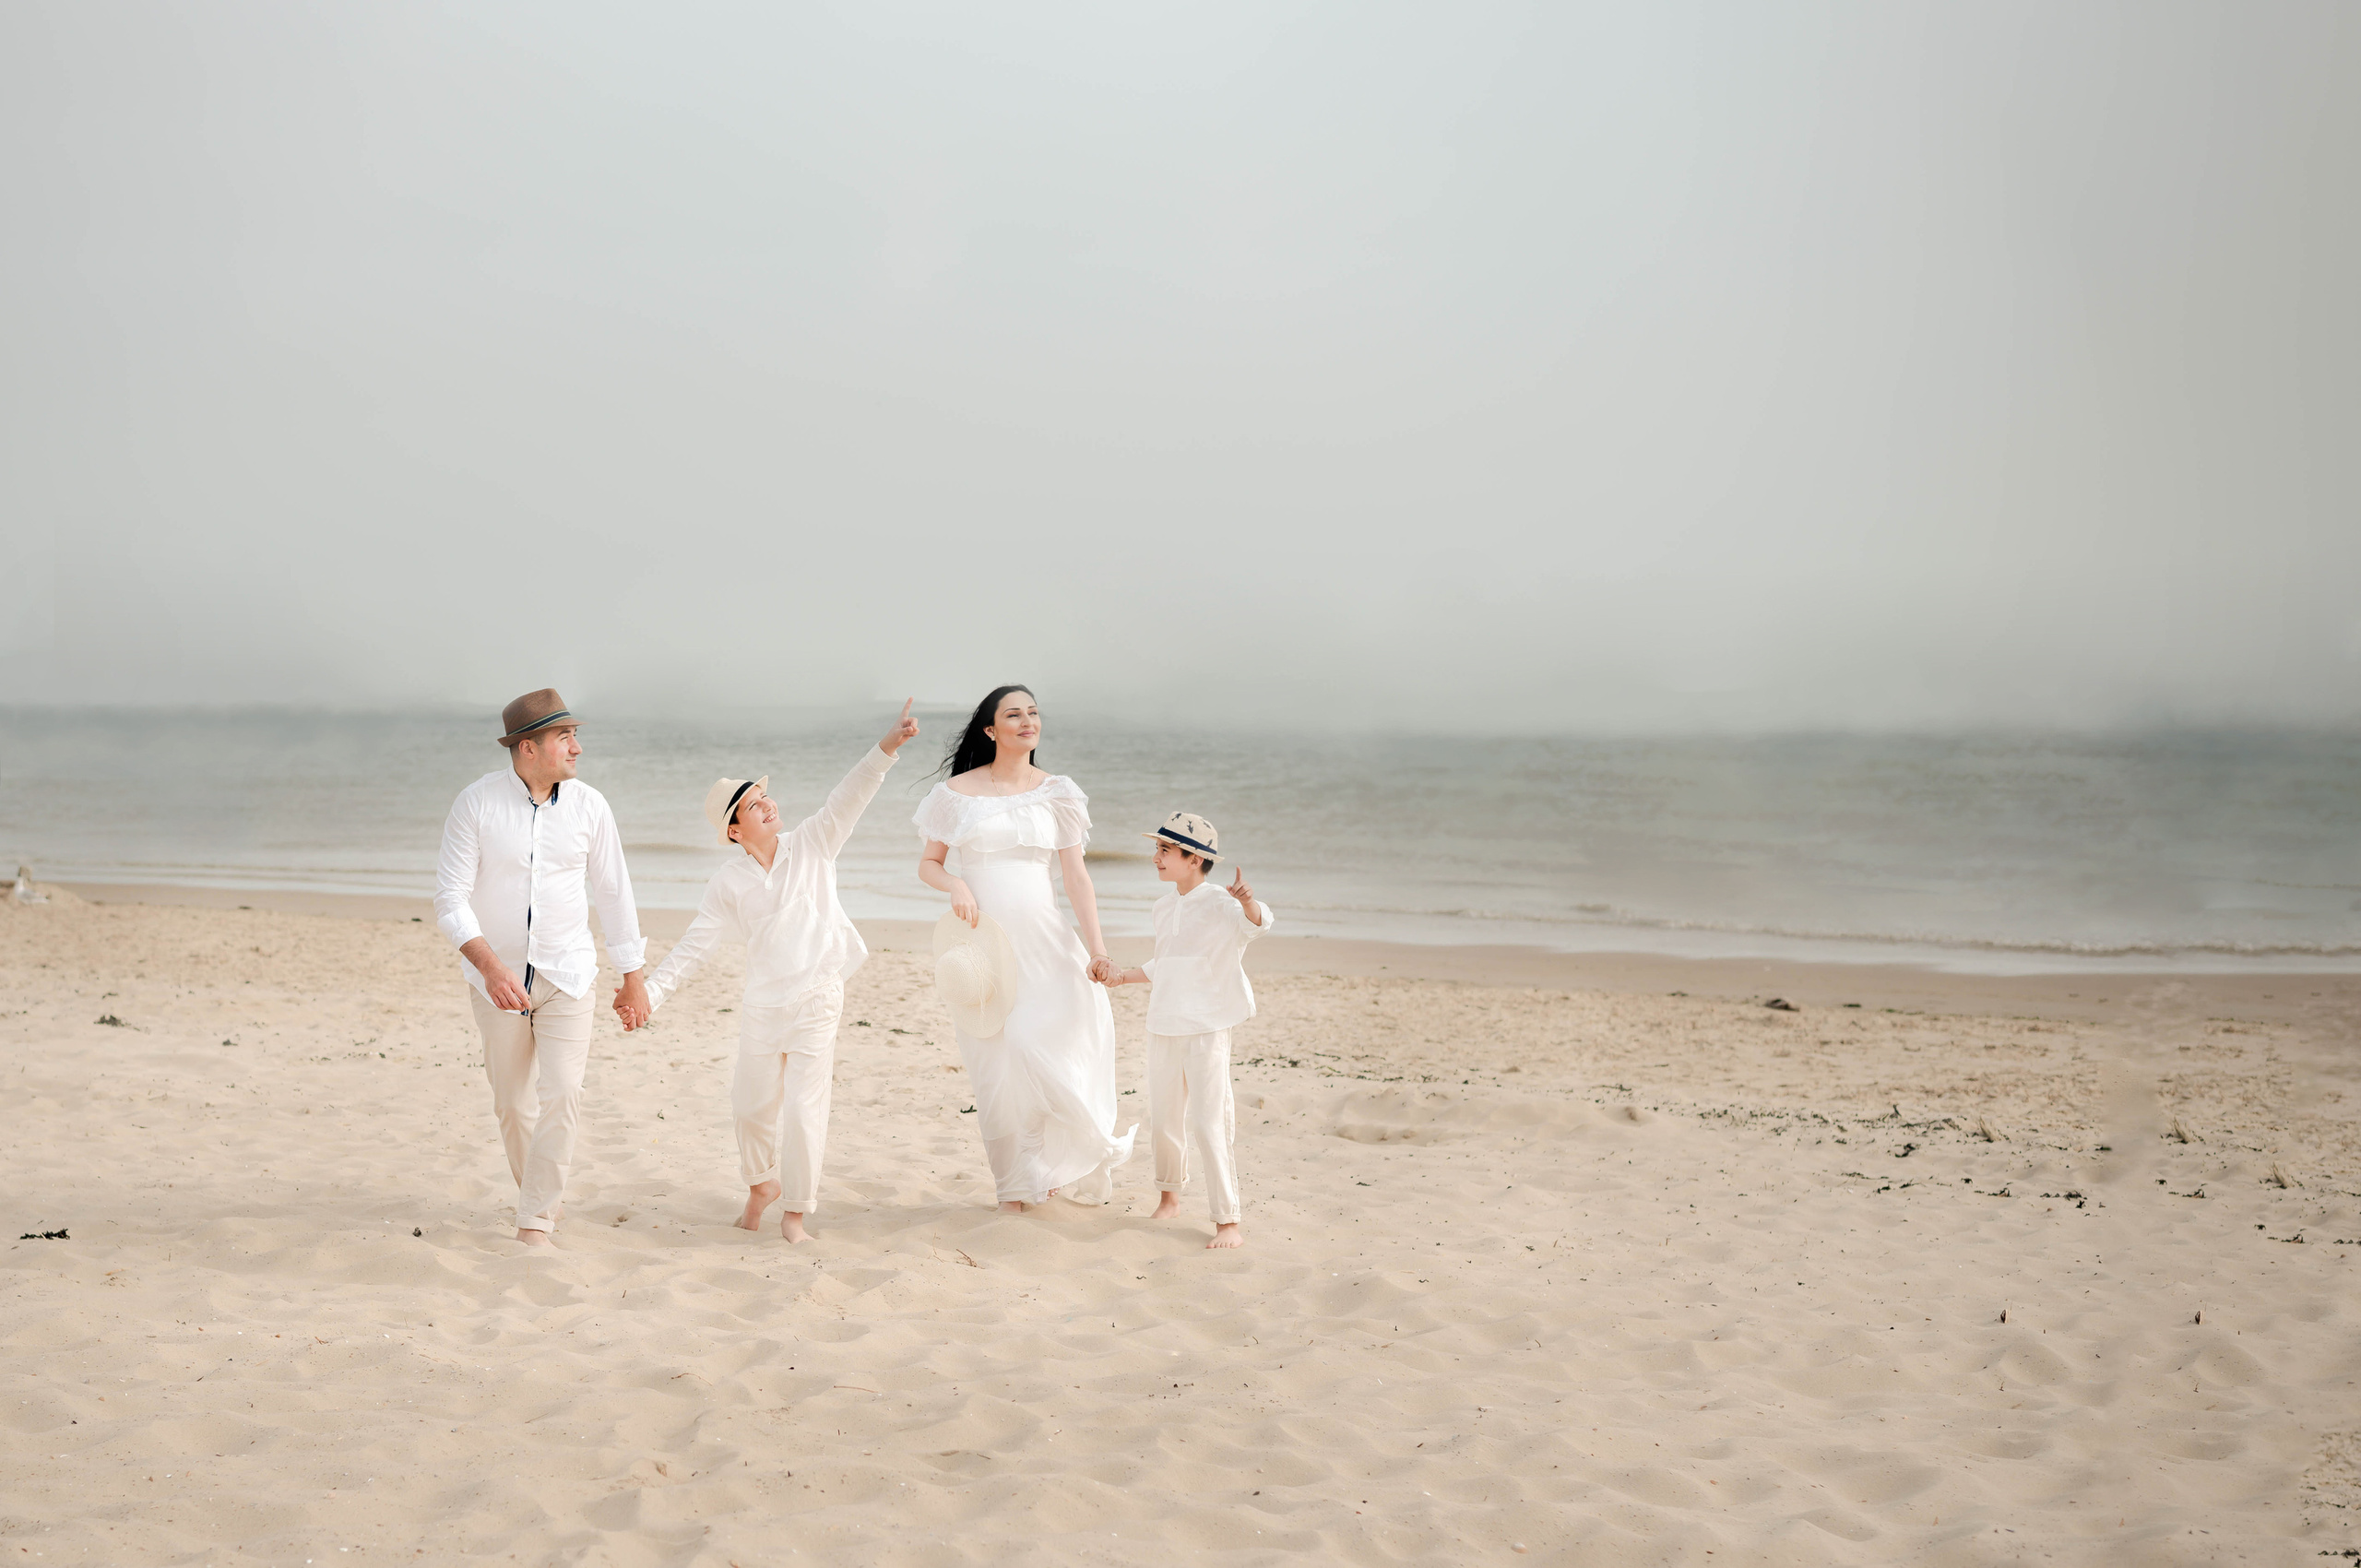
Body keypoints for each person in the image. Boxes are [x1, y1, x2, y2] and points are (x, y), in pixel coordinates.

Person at [626, 702, 922, 1242]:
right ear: (734, 830)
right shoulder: (728, 883)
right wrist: (651, 993)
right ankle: (762, 1186)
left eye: (766, 797)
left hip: (817, 999)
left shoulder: (813, 843)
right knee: (750, 1109)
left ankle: (795, 1215)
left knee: (806, 1111)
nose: (768, 805)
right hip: (763, 1007)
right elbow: (695, 947)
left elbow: (851, 794)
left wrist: (889, 745)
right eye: (753, 805)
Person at [433, 688, 650, 1248]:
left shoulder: (590, 807)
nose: (577, 747)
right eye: (564, 737)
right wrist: (490, 968)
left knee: (563, 1093)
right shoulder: (476, 804)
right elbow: (450, 899)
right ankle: (538, 1197)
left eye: (575, 736)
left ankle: (535, 1220)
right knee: (512, 1105)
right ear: (528, 748)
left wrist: (632, 976)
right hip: (496, 984)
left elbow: (614, 894)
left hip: (569, 976)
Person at [914, 685, 1133, 1210]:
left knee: (1044, 1047)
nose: (1027, 721)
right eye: (1013, 714)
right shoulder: (955, 794)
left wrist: (1097, 950)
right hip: (984, 948)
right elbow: (929, 864)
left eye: (1033, 712)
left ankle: (1044, 1165)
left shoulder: (1058, 792)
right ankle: (1014, 1188)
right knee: (997, 1065)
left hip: (1046, 942)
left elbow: (1076, 879)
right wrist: (955, 884)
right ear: (991, 730)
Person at [1101, 813, 1271, 1249]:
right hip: (1163, 1024)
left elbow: (1257, 925)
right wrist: (1122, 977)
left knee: (1210, 1123)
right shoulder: (1163, 907)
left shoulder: (1221, 903)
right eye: (1156, 849)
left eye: (1164, 850)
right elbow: (1167, 963)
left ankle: (1227, 1221)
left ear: (1194, 859)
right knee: (1164, 1120)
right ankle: (1169, 1198)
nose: (1155, 857)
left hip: (1205, 1027)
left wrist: (1248, 902)